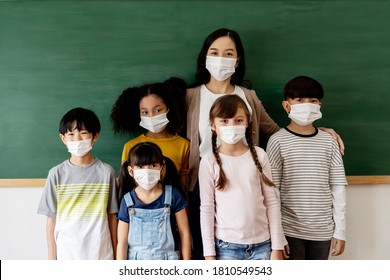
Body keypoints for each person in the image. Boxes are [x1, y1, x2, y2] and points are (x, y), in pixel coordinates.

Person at [185, 27, 344, 259]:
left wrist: (319, 131)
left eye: (229, 53)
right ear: (205, 57)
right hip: (207, 185)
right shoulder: (190, 97)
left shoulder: (248, 97)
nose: (221, 58)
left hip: (250, 184)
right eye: (215, 52)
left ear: (237, 61)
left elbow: (278, 132)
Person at [266, 76, 347, 260]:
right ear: (287, 105)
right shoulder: (277, 141)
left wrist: (340, 231)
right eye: (300, 100)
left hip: (323, 231)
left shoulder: (330, 141)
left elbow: (338, 187)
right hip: (289, 230)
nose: (307, 105)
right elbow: (272, 191)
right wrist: (277, 235)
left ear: (320, 105)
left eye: (313, 101)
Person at [199, 94, 286, 260]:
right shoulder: (208, 162)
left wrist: (277, 246)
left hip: (263, 245)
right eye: (224, 121)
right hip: (227, 247)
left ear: (247, 123)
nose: (231, 125)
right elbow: (207, 209)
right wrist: (209, 254)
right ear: (213, 125)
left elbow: (272, 202)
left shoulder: (260, 155)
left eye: (238, 120)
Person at [37, 107, 118, 260]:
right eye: (71, 134)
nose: (77, 139)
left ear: (95, 136)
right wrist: (51, 258)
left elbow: (112, 216)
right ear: (63, 138)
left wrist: (116, 254)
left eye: (83, 133)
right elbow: (51, 219)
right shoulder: (56, 174)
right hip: (67, 253)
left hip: (100, 253)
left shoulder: (106, 172)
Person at [111, 77, 189, 190]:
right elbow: (126, 182)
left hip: (171, 204)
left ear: (169, 108)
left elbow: (184, 182)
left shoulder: (184, 145)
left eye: (158, 110)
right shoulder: (130, 146)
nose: (151, 116)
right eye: (145, 112)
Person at [116, 142, 191, 260]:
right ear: (131, 171)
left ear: (161, 167)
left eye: (153, 165)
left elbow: (184, 233)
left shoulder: (173, 195)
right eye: (140, 167)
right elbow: (122, 242)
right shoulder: (127, 201)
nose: (147, 171)